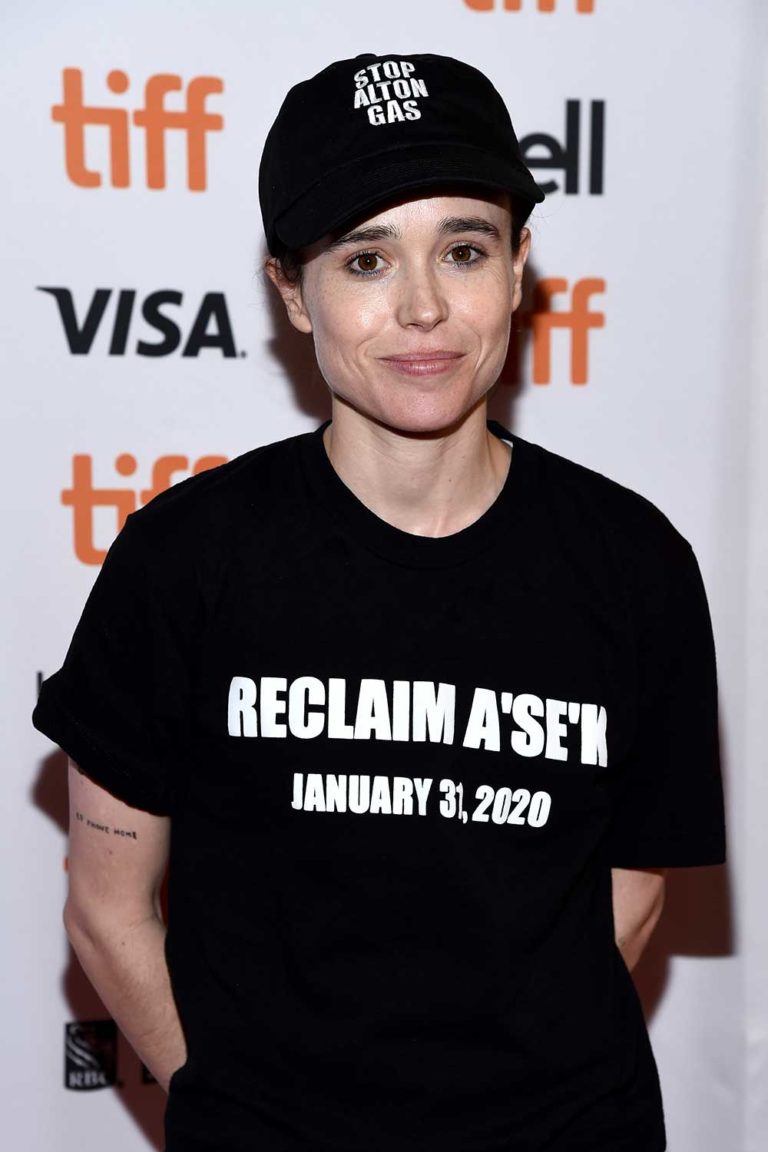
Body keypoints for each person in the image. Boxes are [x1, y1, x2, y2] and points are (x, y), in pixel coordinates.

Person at [33, 52, 725, 1152]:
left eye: (464, 250)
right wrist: (241, 1116)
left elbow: (628, 902)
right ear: (289, 292)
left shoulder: (636, 565)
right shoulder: (184, 560)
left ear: (519, 267)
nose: (423, 307)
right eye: (365, 258)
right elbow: (107, 911)